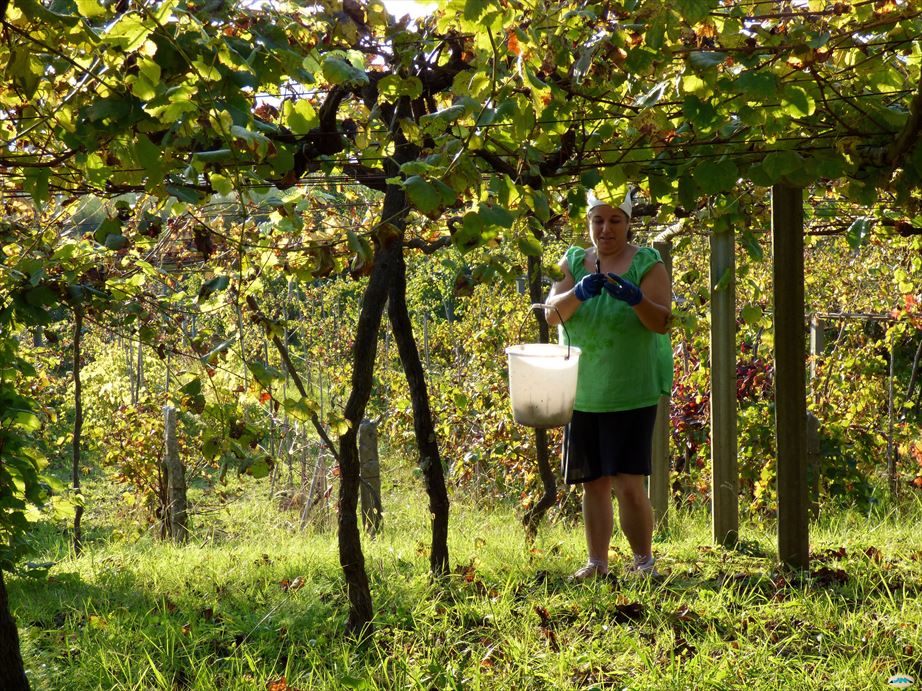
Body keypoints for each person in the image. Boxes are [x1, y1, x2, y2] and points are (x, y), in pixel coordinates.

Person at [545, 189, 673, 580]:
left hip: (629, 391)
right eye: (598, 220)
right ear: (588, 222)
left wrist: (636, 300)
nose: (606, 229)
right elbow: (552, 315)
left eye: (615, 220)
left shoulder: (646, 263)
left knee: (629, 484)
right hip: (582, 392)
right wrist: (577, 293)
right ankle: (597, 564)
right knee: (593, 483)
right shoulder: (572, 262)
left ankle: (644, 563)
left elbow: (662, 322)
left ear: (629, 222)